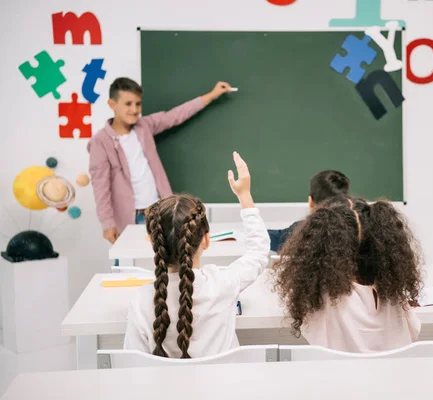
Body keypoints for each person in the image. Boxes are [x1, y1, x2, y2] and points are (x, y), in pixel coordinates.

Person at [123, 152, 270, 358]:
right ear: (206, 240)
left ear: (154, 243)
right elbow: (259, 252)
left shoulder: (141, 300)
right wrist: (244, 195)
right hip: (226, 390)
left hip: (163, 391)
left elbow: (133, 363)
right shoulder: (223, 284)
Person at [88, 77, 233, 244]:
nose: (135, 110)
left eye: (138, 104)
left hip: (159, 212)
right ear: (112, 105)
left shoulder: (144, 126)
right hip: (130, 218)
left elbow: (176, 115)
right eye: (128, 104)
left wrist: (212, 95)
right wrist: (107, 223)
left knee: (165, 263)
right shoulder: (100, 142)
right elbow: (100, 187)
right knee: (133, 266)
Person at [272, 197, 424, 353]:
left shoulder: (323, 299)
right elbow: (414, 331)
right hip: (394, 376)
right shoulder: (394, 297)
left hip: (341, 376)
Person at [268, 169, 350, 252]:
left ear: (311, 201)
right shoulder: (358, 230)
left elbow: (267, 238)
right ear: (346, 201)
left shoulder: (300, 231)